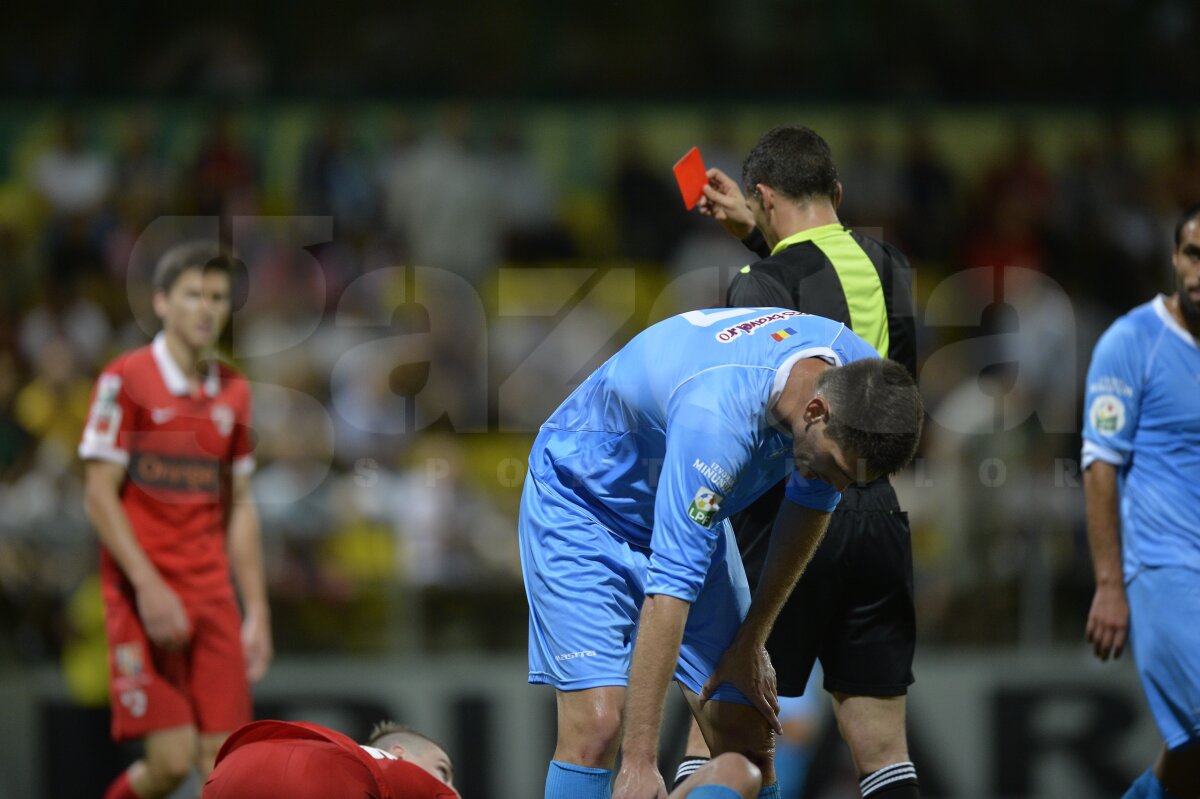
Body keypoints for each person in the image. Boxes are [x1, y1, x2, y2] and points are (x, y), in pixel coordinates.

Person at [520, 309, 924, 799]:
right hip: (582, 506)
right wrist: (641, 761)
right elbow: (669, 592)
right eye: (836, 468)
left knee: (747, 732)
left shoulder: (859, 379)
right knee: (599, 728)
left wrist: (751, 640)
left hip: (682, 501)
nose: (838, 486)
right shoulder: (717, 419)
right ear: (815, 411)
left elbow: (811, 502)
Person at [675, 125, 921, 799]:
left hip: (792, 522)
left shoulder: (760, 282)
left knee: (717, 740)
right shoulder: (892, 264)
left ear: (760, 195)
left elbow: (758, 402)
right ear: (836, 192)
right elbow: (891, 393)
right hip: (877, 518)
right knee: (883, 753)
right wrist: (757, 233)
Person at [79, 242, 272, 799]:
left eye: (217, 296)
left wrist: (255, 609)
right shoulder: (124, 380)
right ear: (161, 302)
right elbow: (98, 496)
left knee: (226, 765)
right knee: (168, 762)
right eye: (192, 294)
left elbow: (240, 509)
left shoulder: (235, 392)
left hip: (211, 594)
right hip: (142, 595)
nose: (206, 308)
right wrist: (148, 586)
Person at [1082, 203, 1200, 799]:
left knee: (1188, 758)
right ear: (1175, 259)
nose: (1199, 270)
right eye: (1192, 254)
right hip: (1164, 568)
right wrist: (1110, 583)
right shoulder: (1133, 342)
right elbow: (1100, 466)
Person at [201, 719, 762, 799]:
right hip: (319, 777)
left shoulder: (366, 765)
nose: (451, 787)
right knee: (740, 771)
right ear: (401, 753)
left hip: (234, 764)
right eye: (443, 771)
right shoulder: (394, 773)